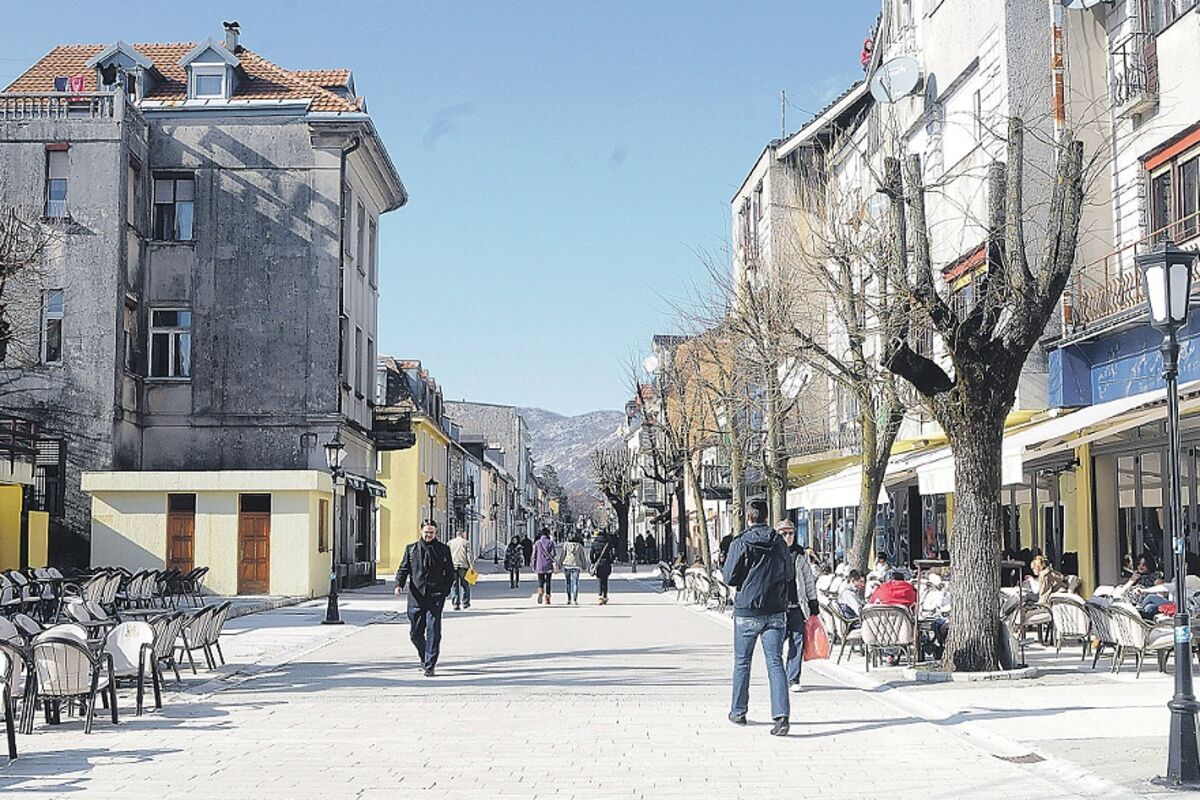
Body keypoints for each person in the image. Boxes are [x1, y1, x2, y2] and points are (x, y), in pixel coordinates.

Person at [723, 500, 793, 737]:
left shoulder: (741, 542)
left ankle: (738, 711)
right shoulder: (779, 542)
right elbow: (789, 573)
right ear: (766, 517)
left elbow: (729, 577)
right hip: (775, 610)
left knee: (742, 662)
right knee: (775, 662)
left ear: (749, 518)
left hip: (747, 610)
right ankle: (781, 717)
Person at [395, 521, 456, 677]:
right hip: (416, 596)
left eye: (432, 532)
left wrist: (445, 591)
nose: (429, 535)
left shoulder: (443, 549)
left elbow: (450, 572)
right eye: (426, 532)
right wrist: (399, 584)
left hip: (436, 596)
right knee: (415, 633)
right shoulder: (411, 549)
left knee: (433, 630)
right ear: (421, 531)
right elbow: (403, 569)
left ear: (436, 533)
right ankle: (424, 655)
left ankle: (430, 664)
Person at [779, 519, 818, 693]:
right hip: (778, 608)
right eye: (784, 533)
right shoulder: (773, 553)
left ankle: (793, 678)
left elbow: (808, 579)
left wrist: (813, 601)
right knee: (776, 644)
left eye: (791, 533)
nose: (788, 537)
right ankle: (778, 677)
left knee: (797, 642)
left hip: (797, 606)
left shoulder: (800, 554)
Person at [448, 529, 475, 611]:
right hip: (464, 566)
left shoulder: (450, 543)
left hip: (453, 566)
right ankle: (465, 603)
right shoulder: (466, 543)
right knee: (465, 585)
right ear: (463, 534)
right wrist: (471, 566)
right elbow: (469, 555)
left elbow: (447, 555)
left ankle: (456, 604)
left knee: (454, 586)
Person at [560, 533, 589, 605]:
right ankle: (575, 599)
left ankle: (569, 599)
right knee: (575, 582)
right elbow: (582, 556)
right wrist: (584, 565)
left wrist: (560, 563)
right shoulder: (579, 546)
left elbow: (563, 555)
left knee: (568, 582)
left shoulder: (566, 545)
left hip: (567, 565)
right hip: (576, 565)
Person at [591, 527, 617, 604]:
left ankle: (600, 595)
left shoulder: (595, 543)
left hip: (598, 563)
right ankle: (604, 595)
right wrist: (611, 560)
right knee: (605, 580)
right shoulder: (608, 543)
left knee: (600, 579)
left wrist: (593, 561)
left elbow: (591, 554)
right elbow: (613, 553)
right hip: (606, 562)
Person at [533, 529, 557, 605]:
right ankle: (547, 598)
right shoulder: (550, 542)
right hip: (548, 565)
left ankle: (540, 592)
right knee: (548, 582)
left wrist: (534, 565)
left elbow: (534, 555)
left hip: (539, 565)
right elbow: (554, 554)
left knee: (540, 581)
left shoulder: (537, 543)